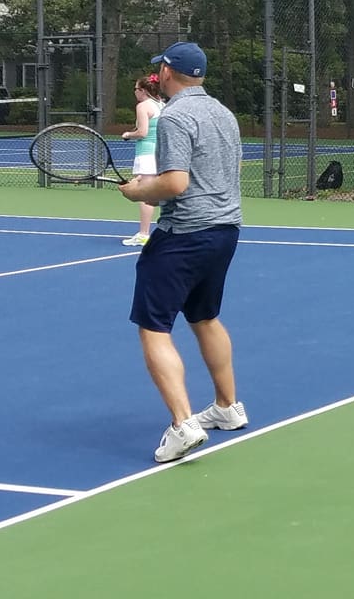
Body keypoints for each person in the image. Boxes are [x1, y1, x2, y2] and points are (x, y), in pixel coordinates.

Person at [118, 42, 248, 464]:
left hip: (184, 235)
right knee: (204, 316)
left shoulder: (175, 116)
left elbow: (174, 184)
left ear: (169, 72)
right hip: (225, 232)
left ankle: (182, 425)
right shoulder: (224, 114)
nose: (158, 76)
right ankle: (227, 408)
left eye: (161, 70)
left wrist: (139, 190)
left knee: (154, 327)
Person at [118, 74, 163, 245]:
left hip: (147, 153)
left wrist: (128, 134)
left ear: (143, 90)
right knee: (154, 193)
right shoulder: (161, 105)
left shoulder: (143, 106)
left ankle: (144, 234)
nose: (134, 92)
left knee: (146, 195)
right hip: (159, 153)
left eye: (136, 89)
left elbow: (142, 132)